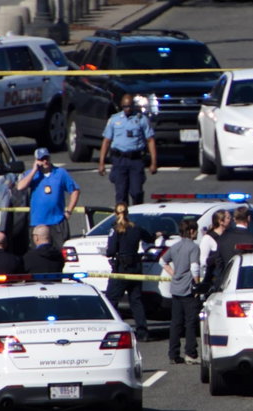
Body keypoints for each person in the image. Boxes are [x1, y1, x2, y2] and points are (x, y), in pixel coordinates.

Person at [105, 202, 156, 342]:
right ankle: (142, 332)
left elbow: (110, 251)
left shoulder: (115, 230)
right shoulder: (136, 228)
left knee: (112, 300)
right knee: (136, 301)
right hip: (135, 267)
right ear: (127, 213)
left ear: (116, 214)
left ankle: (113, 329)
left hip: (121, 269)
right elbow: (150, 238)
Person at [98, 94, 158, 205]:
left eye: (130, 106)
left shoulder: (141, 119)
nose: (128, 109)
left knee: (137, 192)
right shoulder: (114, 120)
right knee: (121, 194)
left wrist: (153, 163)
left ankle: (137, 217)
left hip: (136, 159)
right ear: (122, 106)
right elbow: (106, 141)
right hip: (119, 160)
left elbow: (150, 140)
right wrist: (101, 163)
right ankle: (122, 220)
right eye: (125, 106)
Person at [16, 147, 80, 251]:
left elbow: (75, 190)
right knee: (39, 253)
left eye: (46, 158)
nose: (45, 161)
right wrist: (34, 171)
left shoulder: (60, 173)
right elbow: (20, 187)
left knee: (61, 252)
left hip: (57, 222)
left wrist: (69, 211)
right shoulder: (32, 174)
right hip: (38, 222)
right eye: (41, 159)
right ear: (37, 160)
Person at [160, 219, 201, 365]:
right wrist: (197, 283)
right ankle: (191, 353)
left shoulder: (175, 246)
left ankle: (173, 353)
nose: (196, 233)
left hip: (176, 288)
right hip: (188, 289)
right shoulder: (194, 247)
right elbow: (194, 267)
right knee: (190, 322)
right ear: (191, 231)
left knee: (176, 322)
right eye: (195, 230)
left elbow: (162, 261)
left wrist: (174, 273)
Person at [214, 206, 253, 270]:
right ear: (249, 218)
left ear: (234, 219)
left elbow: (219, 262)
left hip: (226, 276)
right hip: (243, 277)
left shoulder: (223, 237)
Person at [198, 209, 230, 292]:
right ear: (220, 221)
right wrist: (218, 256)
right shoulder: (208, 238)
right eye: (228, 218)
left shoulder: (229, 235)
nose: (231, 220)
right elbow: (203, 261)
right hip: (214, 278)